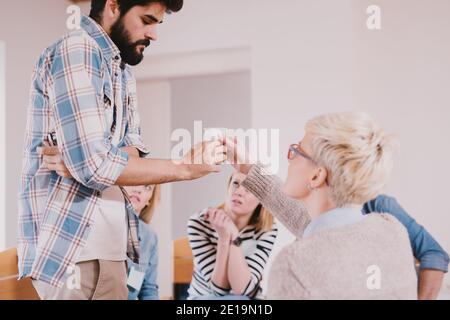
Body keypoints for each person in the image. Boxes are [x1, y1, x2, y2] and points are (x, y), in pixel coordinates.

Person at [19, 0, 227, 300]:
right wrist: (183, 167)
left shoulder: (122, 70)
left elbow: (126, 156)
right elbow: (96, 165)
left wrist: (96, 160)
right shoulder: (76, 51)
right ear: (113, 6)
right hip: (73, 252)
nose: (154, 34)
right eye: (147, 20)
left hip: (113, 248)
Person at [227, 112, 421, 299]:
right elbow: (320, 231)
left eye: (296, 151)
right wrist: (248, 167)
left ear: (317, 176)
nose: (289, 157)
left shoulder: (295, 265)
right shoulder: (392, 231)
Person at [187, 171, 278, 300]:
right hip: (205, 297)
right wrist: (224, 239)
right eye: (236, 184)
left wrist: (234, 236)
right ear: (228, 187)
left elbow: (243, 289)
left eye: (250, 188)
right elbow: (218, 290)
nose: (239, 191)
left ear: (261, 199)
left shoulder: (267, 229)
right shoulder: (200, 222)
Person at [124, 184, 161, 300]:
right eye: (134, 181)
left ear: (149, 200)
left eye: (147, 187)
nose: (137, 190)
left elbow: (148, 290)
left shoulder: (150, 237)